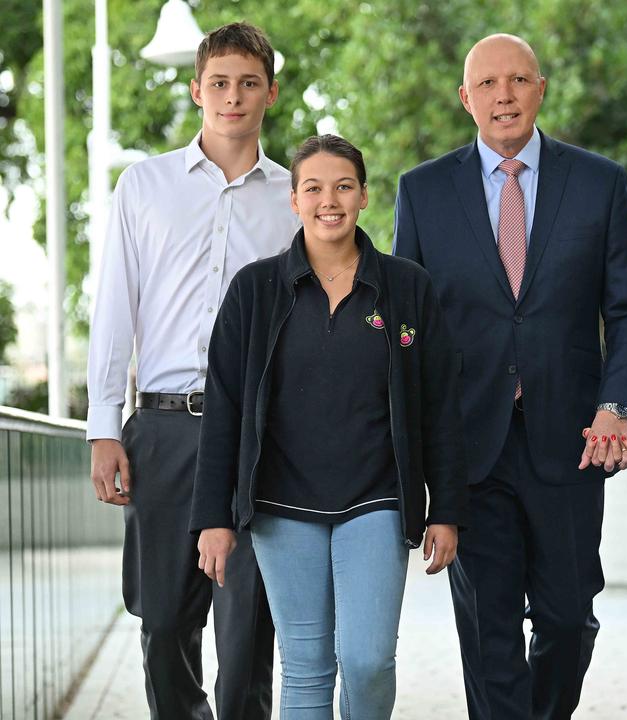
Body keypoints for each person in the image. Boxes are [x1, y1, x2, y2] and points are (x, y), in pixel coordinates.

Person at [392, 33, 627, 720]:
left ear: (541, 89)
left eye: (517, 81)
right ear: (465, 99)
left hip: (571, 440)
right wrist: (415, 446)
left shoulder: (599, 183)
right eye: (487, 84)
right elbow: (406, 330)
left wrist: (615, 404)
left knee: (568, 621)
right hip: (467, 448)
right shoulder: (421, 193)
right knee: (489, 635)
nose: (503, 95)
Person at [189, 134, 467, 718]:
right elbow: (225, 411)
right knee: (307, 669)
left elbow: (439, 404)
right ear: (293, 200)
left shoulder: (407, 288)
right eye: (313, 188)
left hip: (378, 500)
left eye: (343, 186)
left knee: (367, 661)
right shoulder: (253, 291)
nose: (329, 200)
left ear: (364, 196)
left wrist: (445, 508)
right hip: (281, 505)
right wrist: (213, 517)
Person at [85, 22, 290, 719]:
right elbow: (114, 311)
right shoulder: (142, 186)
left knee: (247, 636)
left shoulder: (295, 201)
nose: (233, 96)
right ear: (198, 88)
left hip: (259, 440)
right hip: (165, 431)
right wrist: (103, 427)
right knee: (165, 622)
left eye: (249, 82)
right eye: (221, 82)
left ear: (270, 91)